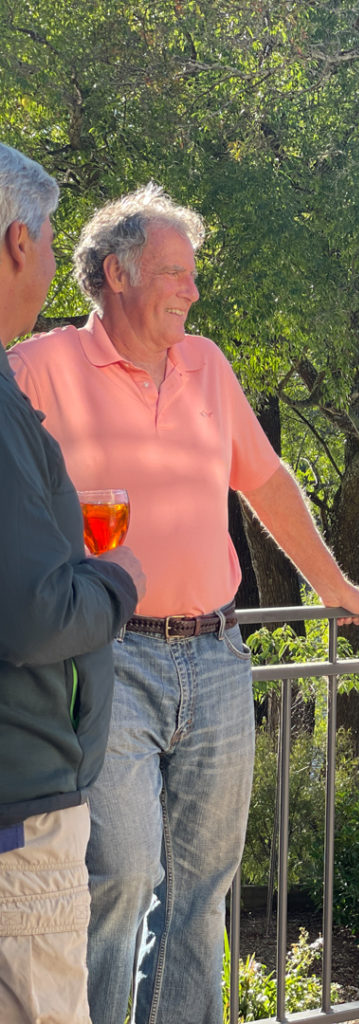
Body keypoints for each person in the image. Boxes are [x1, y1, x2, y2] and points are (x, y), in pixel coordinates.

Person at [10, 183, 359, 1024]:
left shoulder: (207, 364)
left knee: (203, 892)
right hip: (106, 656)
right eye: (177, 272)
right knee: (122, 876)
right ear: (118, 273)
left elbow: (269, 483)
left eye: (193, 274)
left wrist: (332, 585)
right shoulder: (42, 368)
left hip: (216, 655)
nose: (193, 289)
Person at [0, 144, 143, 1023]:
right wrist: (117, 582)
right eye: (49, 240)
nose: (52, 262)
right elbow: (34, 612)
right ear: (18, 242)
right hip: (20, 825)